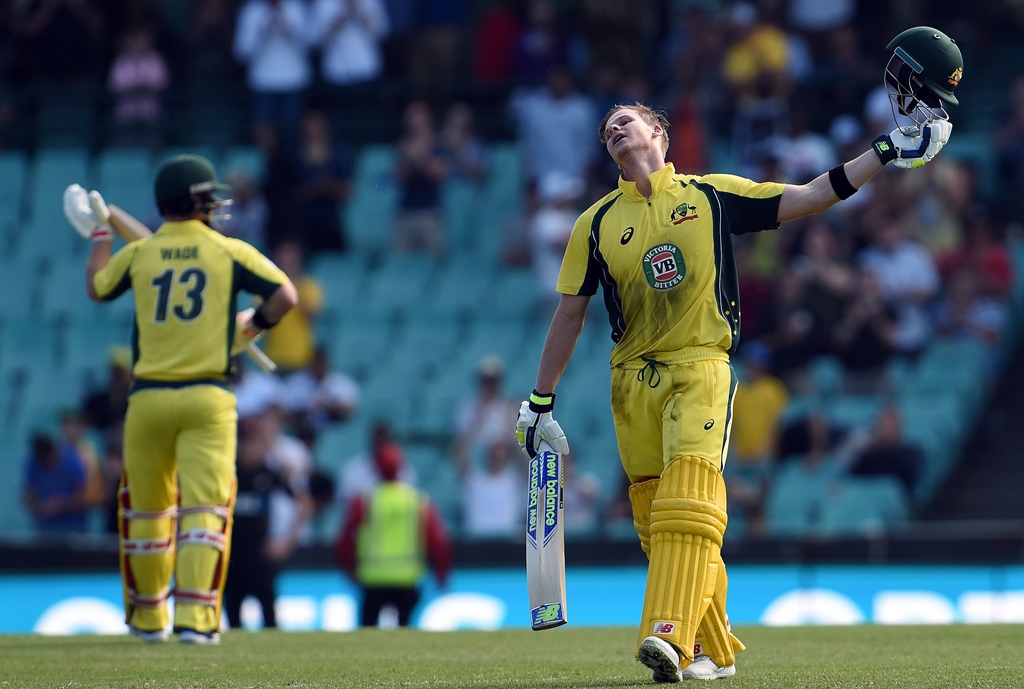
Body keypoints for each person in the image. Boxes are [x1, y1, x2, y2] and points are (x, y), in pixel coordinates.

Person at [514, 26, 958, 681]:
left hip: (701, 364)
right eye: (607, 125)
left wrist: (886, 149)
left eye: (627, 119)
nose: (614, 128)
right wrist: (540, 400)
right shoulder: (596, 223)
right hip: (630, 380)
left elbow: (810, 196)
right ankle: (707, 648)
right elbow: (570, 313)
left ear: (660, 134)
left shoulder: (711, 195)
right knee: (653, 518)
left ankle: (664, 634)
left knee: (689, 502)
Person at [62, 153, 298, 645]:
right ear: (197, 201)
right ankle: (196, 621)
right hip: (206, 396)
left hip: (146, 400)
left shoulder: (142, 253)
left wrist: (102, 237)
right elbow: (284, 296)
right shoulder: (227, 250)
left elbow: (97, 287)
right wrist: (251, 327)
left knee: (146, 512)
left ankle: (148, 621)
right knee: (205, 510)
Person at [334, 443, 451, 627]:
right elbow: (436, 540)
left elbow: (345, 538)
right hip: (407, 579)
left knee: (367, 632)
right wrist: (441, 574)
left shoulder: (365, 501)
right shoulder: (417, 500)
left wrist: (349, 568)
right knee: (404, 630)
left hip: (374, 579)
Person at [225, 418, 311, 630]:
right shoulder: (228, 475)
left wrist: (286, 543)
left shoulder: (269, 475)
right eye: (245, 442)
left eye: (254, 442)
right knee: (233, 622)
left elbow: (304, 506)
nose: (250, 448)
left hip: (260, 556)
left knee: (270, 622)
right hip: (232, 558)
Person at [261, 240, 324, 373]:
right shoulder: (269, 286)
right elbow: (264, 315)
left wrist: (294, 286)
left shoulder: (310, 286)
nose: (287, 263)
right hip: (273, 358)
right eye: (284, 259)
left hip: (303, 359)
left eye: (291, 259)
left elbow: (312, 315)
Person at [22, 432, 90, 535]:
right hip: (45, 528)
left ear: (53, 451)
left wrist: (60, 505)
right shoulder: (34, 464)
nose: (46, 465)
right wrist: (40, 506)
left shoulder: (72, 463)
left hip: (73, 527)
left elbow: (83, 497)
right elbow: (28, 495)